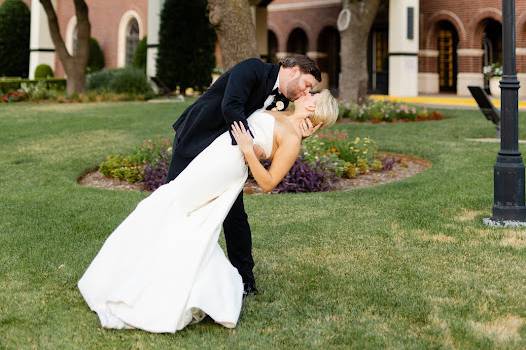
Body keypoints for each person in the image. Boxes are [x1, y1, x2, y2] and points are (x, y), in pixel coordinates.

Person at [77, 89, 339, 333]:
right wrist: (256, 147)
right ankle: (170, 281)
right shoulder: (281, 112)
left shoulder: (292, 139)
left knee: (168, 205)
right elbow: (258, 130)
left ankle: (146, 287)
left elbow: (268, 182)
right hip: (216, 154)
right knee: (177, 212)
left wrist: (248, 151)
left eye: (312, 94)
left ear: (314, 107)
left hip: (226, 167)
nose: (306, 92)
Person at [165, 55, 322, 295]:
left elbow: (277, 131)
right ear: (293, 70)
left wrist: (301, 131)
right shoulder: (252, 69)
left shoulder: (282, 100)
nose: (305, 92)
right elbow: (232, 106)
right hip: (197, 139)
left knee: (235, 214)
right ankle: (168, 260)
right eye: (307, 84)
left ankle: (244, 278)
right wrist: (250, 145)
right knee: (174, 201)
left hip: (227, 157)